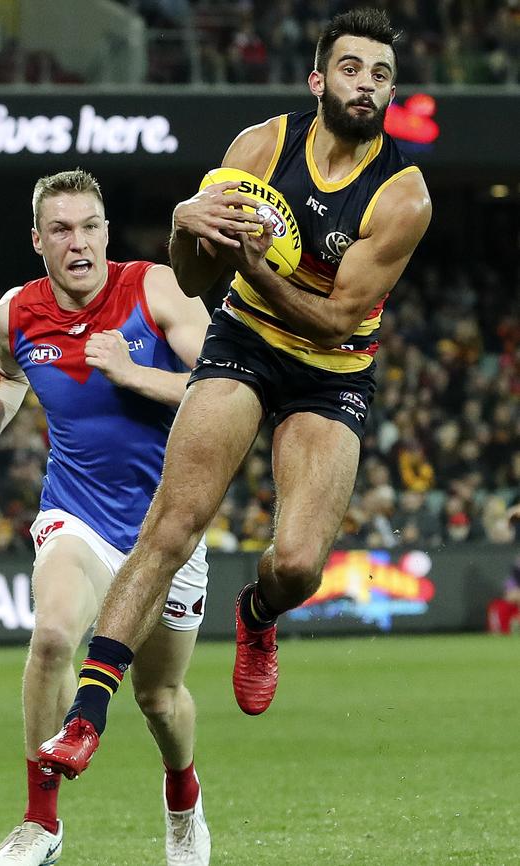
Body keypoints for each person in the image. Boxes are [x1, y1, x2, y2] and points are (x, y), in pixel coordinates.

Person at [38, 7, 432, 777]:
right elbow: (191, 279)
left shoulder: (403, 195)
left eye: (381, 76)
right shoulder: (260, 146)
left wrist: (254, 266)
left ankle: (257, 616)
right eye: (352, 69)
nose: (367, 86)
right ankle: (88, 713)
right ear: (319, 78)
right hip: (245, 343)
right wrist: (186, 225)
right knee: (172, 523)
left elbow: (335, 321)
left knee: (297, 567)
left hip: (333, 368)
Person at [0, 168, 212, 866]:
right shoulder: (17, 311)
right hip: (78, 515)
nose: (79, 242)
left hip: (168, 528)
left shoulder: (155, 288)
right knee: (53, 637)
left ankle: (183, 796)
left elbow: (225, 389)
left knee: (159, 699)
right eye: (61, 229)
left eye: (90, 226)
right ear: (38, 240)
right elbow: (5, 374)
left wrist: (133, 374)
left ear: (106, 232)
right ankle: (41, 822)